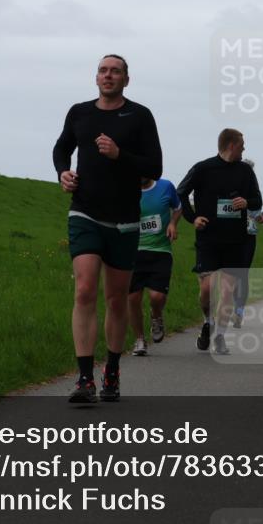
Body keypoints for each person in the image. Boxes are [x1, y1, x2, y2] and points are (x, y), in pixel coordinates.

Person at [53, 54, 162, 404]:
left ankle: (111, 370)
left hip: (125, 219)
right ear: (96, 77)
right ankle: (84, 378)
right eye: (103, 70)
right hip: (84, 212)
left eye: (115, 71)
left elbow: (154, 166)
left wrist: (119, 155)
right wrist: (63, 173)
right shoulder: (79, 113)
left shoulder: (140, 116)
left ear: (126, 80)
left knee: (116, 300)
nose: (108, 75)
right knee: (85, 289)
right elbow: (61, 148)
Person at [178, 129, 263, 355]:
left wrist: (246, 202)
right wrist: (192, 217)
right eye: (242, 144)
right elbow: (181, 193)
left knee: (226, 292)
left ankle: (221, 337)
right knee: (206, 289)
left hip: (236, 241)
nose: (244, 148)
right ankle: (208, 322)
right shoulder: (203, 168)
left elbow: (257, 200)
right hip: (208, 240)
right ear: (232, 145)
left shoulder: (245, 171)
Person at [130, 177, 182, 356]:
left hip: (160, 250)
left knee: (157, 297)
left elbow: (178, 207)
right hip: (133, 251)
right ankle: (139, 340)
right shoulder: (126, 188)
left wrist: (173, 223)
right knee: (133, 298)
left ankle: (156, 315)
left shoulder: (166, 186)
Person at [233, 159, 263, 329]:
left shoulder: (253, 189)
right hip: (230, 236)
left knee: (242, 273)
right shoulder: (230, 185)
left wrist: (260, 217)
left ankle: (238, 310)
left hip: (248, 236)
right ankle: (230, 305)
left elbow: (258, 211)